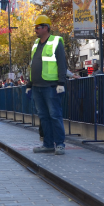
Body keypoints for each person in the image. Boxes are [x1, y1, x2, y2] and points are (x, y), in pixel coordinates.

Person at [26, 14, 68, 155]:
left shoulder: (56, 42)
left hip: (51, 86)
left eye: (37, 27)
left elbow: (62, 64)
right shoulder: (36, 45)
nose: (35, 30)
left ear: (45, 28)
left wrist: (61, 83)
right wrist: (29, 84)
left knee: (55, 115)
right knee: (43, 117)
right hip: (37, 87)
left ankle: (60, 144)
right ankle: (48, 144)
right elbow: (32, 66)